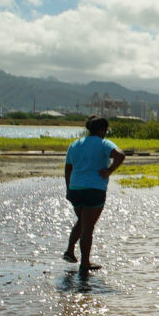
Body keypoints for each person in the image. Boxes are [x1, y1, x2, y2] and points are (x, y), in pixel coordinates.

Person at [61, 117, 126, 274]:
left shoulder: (75, 144)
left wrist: (69, 188)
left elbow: (68, 169)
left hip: (76, 188)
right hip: (94, 189)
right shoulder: (103, 143)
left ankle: (70, 251)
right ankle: (85, 263)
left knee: (83, 222)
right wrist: (109, 171)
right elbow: (120, 155)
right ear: (103, 130)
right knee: (88, 228)